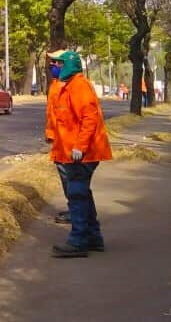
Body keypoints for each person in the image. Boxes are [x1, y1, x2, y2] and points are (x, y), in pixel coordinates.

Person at [47, 49, 113, 258]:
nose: (53, 67)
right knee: (82, 194)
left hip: (83, 153)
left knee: (76, 194)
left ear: (68, 65)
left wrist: (80, 147)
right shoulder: (66, 86)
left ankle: (78, 241)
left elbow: (89, 119)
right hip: (73, 151)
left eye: (57, 63)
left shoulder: (79, 86)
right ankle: (93, 238)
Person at [45, 49, 71, 226]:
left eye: (56, 62)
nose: (52, 65)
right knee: (66, 177)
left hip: (68, 142)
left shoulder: (67, 86)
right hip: (59, 139)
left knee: (72, 180)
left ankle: (76, 213)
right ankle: (73, 209)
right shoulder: (56, 83)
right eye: (51, 61)